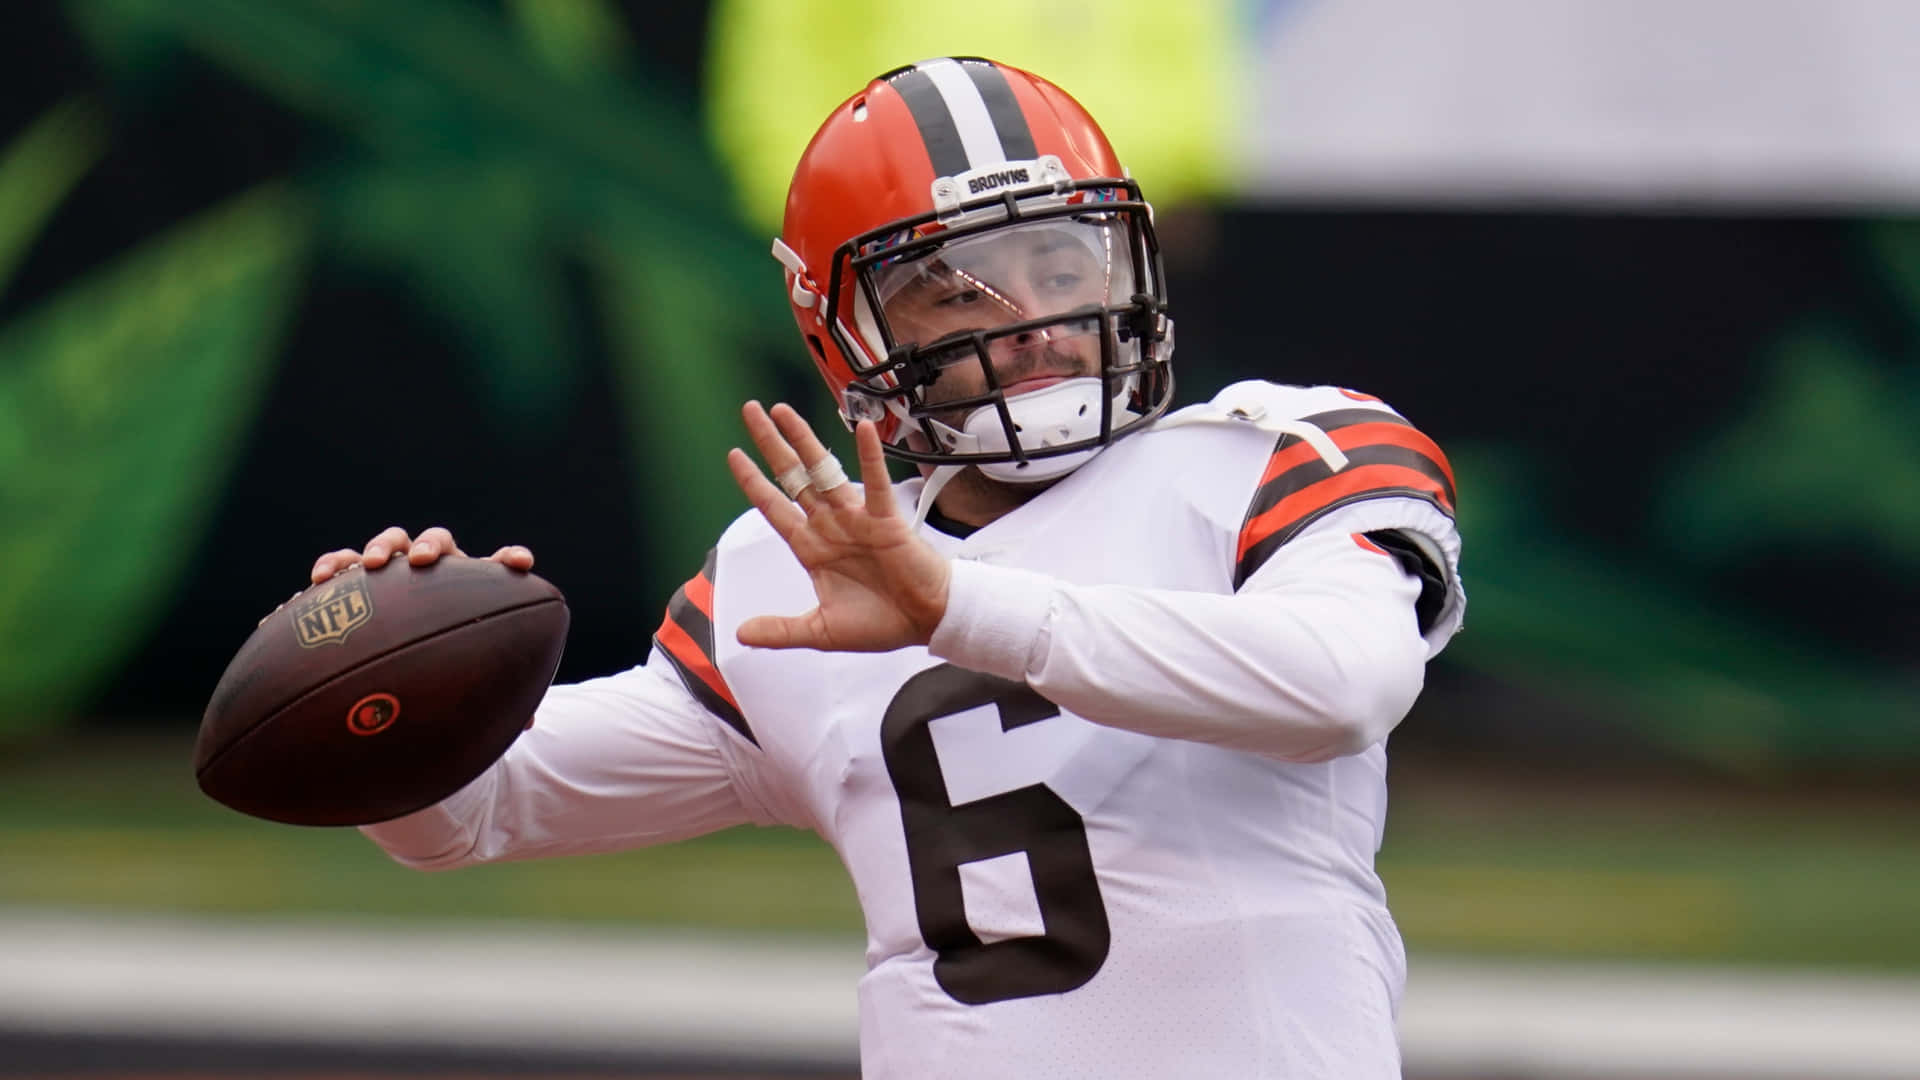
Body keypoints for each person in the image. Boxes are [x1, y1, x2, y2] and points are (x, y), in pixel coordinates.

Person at [315, 57, 1464, 1079]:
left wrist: (954, 605)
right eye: (953, 289)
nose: (1030, 323)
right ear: (849, 339)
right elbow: (470, 817)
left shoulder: (1277, 453)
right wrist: (380, 689)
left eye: (1060, 265)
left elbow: (1343, 686)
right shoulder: (795, 568)